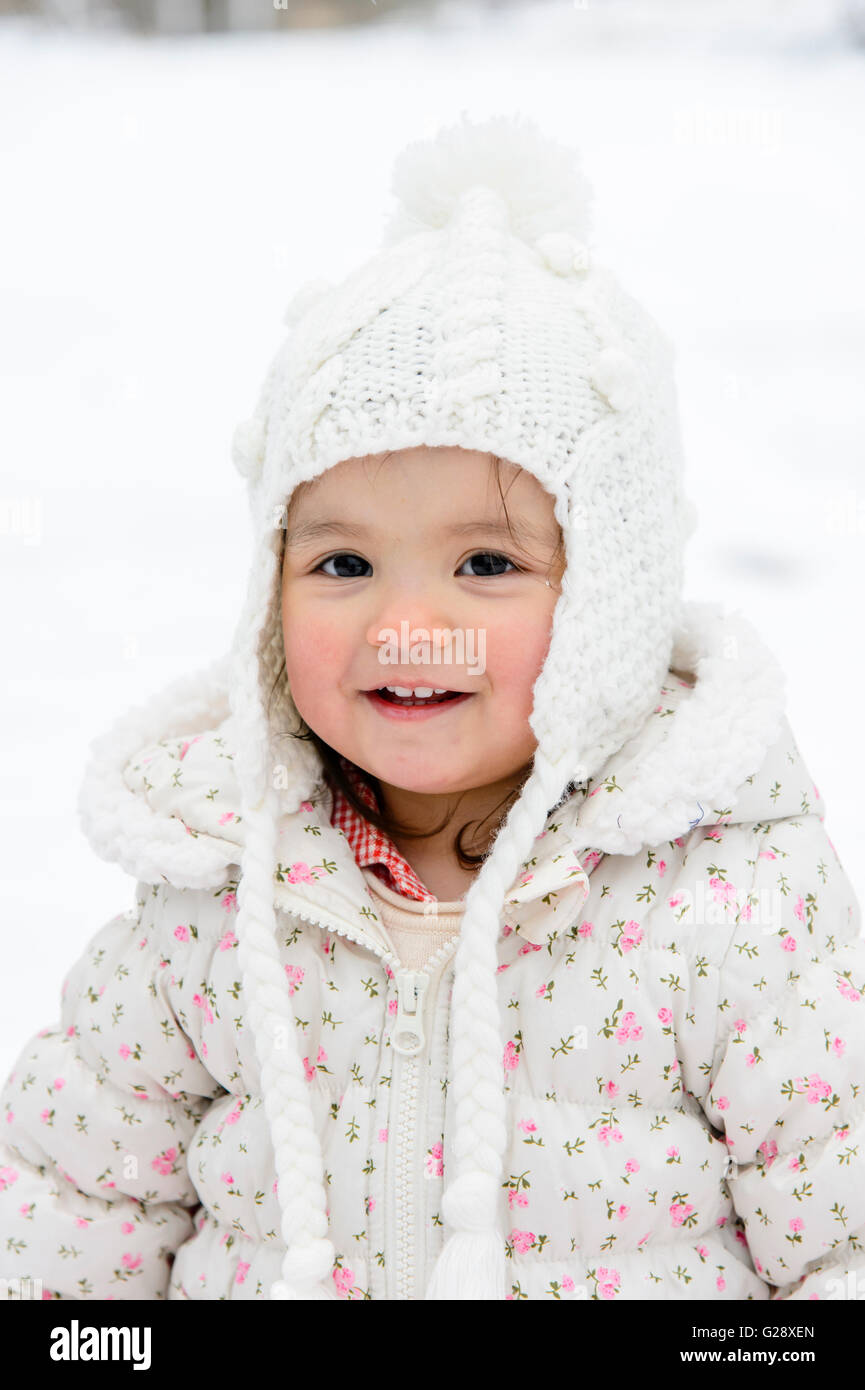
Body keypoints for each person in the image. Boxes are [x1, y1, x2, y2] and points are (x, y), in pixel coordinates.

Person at [1, 112, 863, 1303]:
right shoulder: (211, 885)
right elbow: (66, 1214)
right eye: (343, 565)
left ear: (608, 589)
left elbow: (840, 1236)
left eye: (487, 565)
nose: (405, 624)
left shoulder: (725, 903)